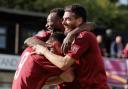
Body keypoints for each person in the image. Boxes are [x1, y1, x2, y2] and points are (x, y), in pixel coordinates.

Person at [33, 4, 109, 89]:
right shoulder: (56, 34)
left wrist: (44, 50)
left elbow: (64, 64)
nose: (63, 22)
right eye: (63, 19)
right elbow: (28, 41)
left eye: (67, 19)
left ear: (79, 21)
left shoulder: (84, 36)